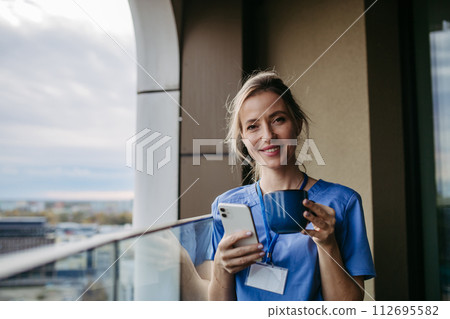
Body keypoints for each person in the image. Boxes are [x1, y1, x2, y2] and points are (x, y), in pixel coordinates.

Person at [208, 71, 375, 301]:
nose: (268, 136)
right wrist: (220, 266)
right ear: (243, 139)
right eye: (253, 126)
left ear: (297, 124)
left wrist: (328, 245)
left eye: (278, 119)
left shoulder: (342, 202)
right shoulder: (227, 207)